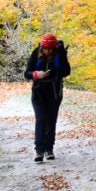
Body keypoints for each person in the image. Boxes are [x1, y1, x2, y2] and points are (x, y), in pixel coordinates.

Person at [23, 33, 71, 163]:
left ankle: (49, 149)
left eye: (50, 49)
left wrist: (54, 72)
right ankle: (39, 151)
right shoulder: (35, 53)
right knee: (41, 119)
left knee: (51, 120)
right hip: (39, 92)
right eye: (45, 48)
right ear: (42, 47)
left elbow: (67, 71)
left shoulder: (59, 54)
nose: (47, 51)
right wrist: (36, 74)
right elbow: (26, 73)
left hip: (54, 92)